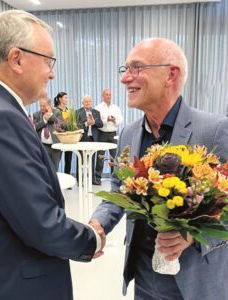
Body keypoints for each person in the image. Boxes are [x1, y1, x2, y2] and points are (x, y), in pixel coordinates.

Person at [0, 10, 105, 300]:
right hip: (10, 284)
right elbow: (41, 224)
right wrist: (93, 239)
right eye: (48, 61)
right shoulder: (1, 118)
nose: (52, 73)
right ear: (17, 59)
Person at [90, 38, 228, 300]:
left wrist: (192, 235)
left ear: (170, 74)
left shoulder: (216, 130)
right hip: (144, 279)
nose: (125, 79)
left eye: (137, 68)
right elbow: (120, 190)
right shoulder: (129, 134)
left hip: (195, 283)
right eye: (125, 69)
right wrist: (98, 224)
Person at [94, 88, 123, 185]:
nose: (108, 96)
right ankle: (97, 178)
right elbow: (97, 122)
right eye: (106, 94)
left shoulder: (116, 108)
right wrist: (106, 120)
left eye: (110, 94)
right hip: (102, 134)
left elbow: (120, 121)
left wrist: (114, 120)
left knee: (114, 157)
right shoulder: (98, 108)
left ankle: (114, 179)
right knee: (100, 157)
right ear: (103, 96)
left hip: (113, 134)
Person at [76, 95, 103, 181]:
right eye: (86, 101)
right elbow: (76, 125)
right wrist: (86, 124)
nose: (88, 103)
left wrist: (94, 122)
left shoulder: (96, 112)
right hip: (82, 139)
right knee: (80, 160)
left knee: (92, 160)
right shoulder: (77, 112)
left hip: (93, 139)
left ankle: (91, 179)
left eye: (89, 101)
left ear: (91, 102)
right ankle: (80, 179)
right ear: (82, 103)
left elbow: (101, 124)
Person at [33, 96, 61, 170]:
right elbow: (35, 127)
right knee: (44, 169)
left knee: (55, 170)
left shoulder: (57, 112)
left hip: (55, 145)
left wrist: (50, 114)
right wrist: (44, 120)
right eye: (40, 105)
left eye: (43, 106)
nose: (41, 107)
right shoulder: (36, 114)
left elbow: (59, 123)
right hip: (42, 146)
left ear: (49, 105)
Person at [54, 92, 73, 174]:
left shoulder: (68, 110)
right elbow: (55, 123)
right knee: (57, 160)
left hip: (68, 137)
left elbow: (70, 123)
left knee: (68, 160)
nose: (67, 100)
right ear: (60, 99)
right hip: (59, 138)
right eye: (65, 97)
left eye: (67, 98)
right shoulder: (55, 110)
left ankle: (67, 178)